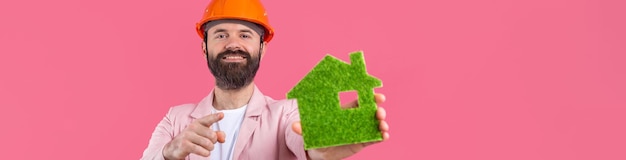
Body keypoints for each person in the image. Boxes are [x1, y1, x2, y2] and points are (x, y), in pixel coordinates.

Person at [141, 0, 389, 159]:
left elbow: (303, 138)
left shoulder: (287, 113)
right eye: (221, 34)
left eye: (245, 35)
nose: (233, 43)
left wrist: (321, 148)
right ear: (205, 48)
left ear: (262, 48)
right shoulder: (175, 120)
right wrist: (170, 152)